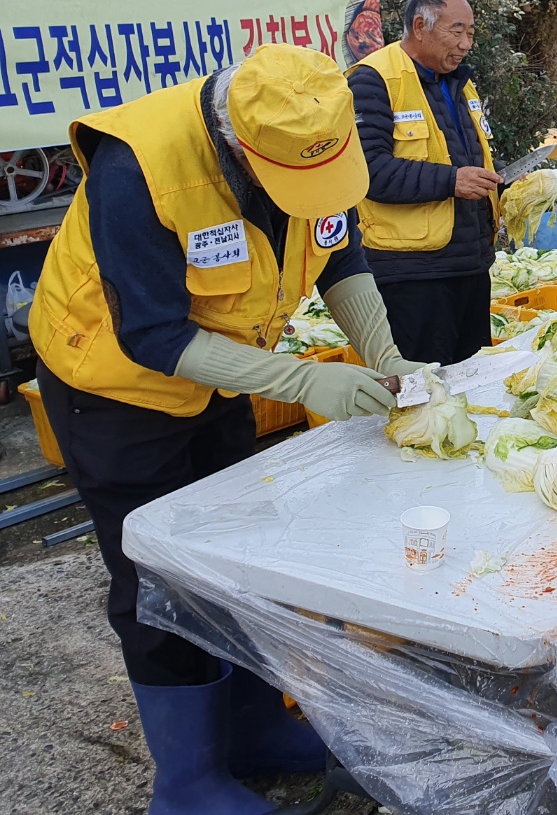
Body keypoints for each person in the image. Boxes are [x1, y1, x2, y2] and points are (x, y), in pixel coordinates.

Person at [28, 43, 425, 815]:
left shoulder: (312, 132)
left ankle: (248, 734)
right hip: (115, 391)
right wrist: (306, 380)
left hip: (224, 374)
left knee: (236, 556)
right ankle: (185, 782)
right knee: (157, 575)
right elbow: (151, 335)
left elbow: (338, 256)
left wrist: (384, 352)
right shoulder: (137, 165)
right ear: (242, 149)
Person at [350, 0, 502, 367]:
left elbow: (466, 159)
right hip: (412, 274)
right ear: (420, 26)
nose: (466, 43)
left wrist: (503, 181)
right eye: (456, 30)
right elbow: (368, 171)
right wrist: (452, 181)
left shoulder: (460, 84)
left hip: (469, 264)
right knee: (423, 394)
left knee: (472, 385)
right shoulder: (373, 79)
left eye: (470, 32)